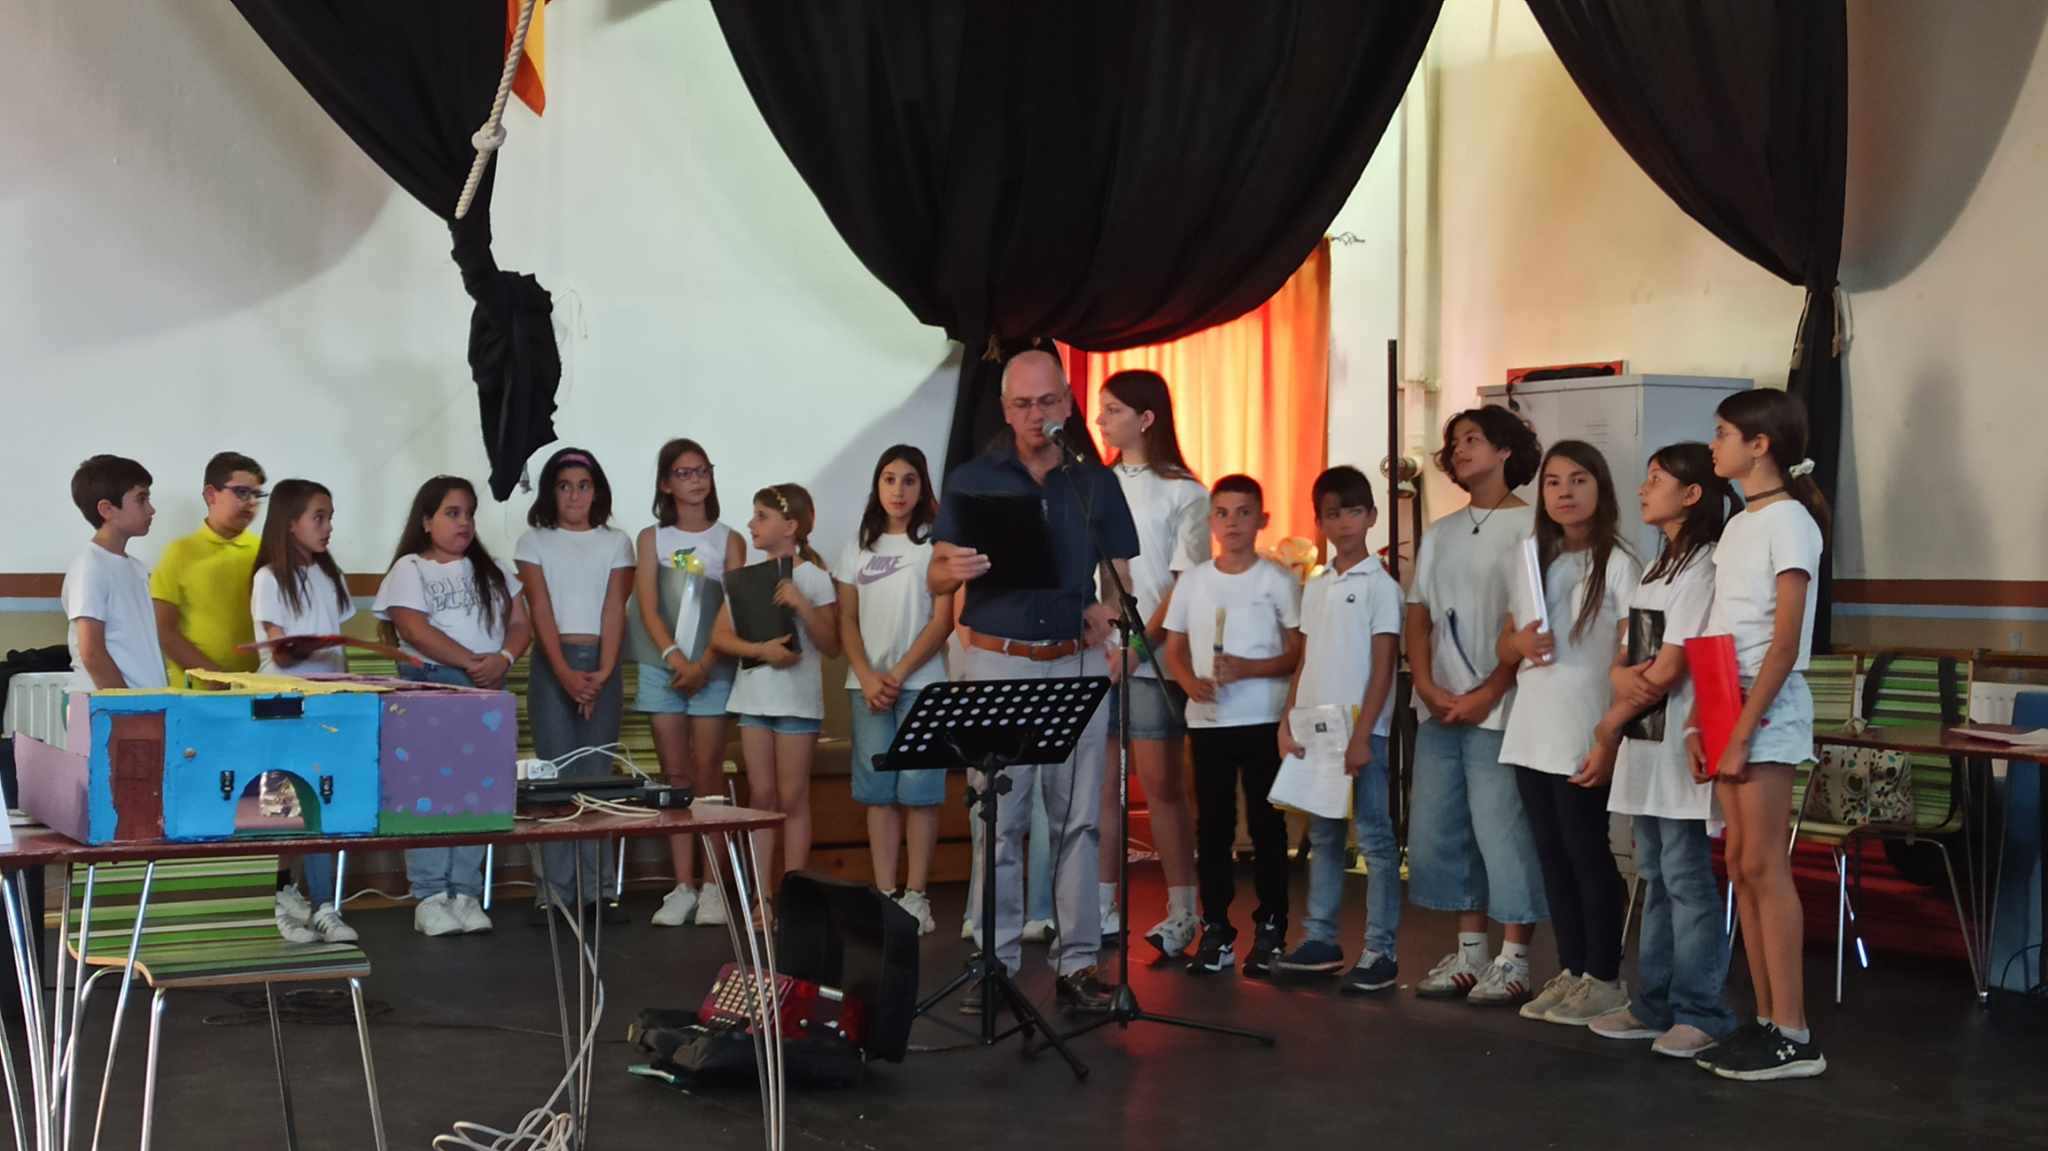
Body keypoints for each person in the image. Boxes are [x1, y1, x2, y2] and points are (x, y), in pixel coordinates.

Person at [929, 348, 1135, 1014]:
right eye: (1021, 403)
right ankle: (995, 963)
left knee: (1078, 820)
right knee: (998, 819)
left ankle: (1078, 964)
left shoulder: (1093, 482)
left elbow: (1121, 577)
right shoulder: (973, 478)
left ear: (1067, 405)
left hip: (1076, 659)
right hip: (998, 659)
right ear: (1004, 408)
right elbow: (936, 574)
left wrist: (1114, 618)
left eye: (1046, 401)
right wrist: (951, 569)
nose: (1034, 414)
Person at [1583, 443, 1740, 1059]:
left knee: (1685, 875)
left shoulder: (1704, 568)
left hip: (1678, 738)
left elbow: (1669, 669)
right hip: (1645, 739)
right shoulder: (1657, 566)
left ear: (1692, 494)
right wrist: (1621, 683)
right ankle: (1653, 1003)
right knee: (1653, 870)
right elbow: (1626, 655)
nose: (1643, 490)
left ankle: (1702, 1009)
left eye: (1656, 479)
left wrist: (1610, 721)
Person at [1690, 390, 1829, 1082]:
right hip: (1727, 697)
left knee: (1767, 864)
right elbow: (1721, 627)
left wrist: (1743, 729)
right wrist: (1702, 718)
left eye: (1723, 433)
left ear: (1760, 444)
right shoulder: (1740, 524)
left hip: (1766, 704)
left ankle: (1795, 1031)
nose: (1713, 445)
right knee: (1741, 864)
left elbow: (1784, 640)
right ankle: (1768, 1019)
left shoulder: (1791, 521)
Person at [1406, 406, 1550, 1005]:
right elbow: (1418, 613)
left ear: (1505, 451)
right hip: (1439, 705)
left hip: (1502, 707)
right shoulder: (1441, 531)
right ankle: (1470, 953)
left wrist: (1489, 690)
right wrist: (1425, 684)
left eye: (1474, 439)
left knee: (1503, 831)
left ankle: (1515, 958)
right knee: (1445, 829)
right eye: (1455, 441)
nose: (1460, 450)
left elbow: (1529, 623)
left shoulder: (1531, 527)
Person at [1496, 442, 1640, 1026]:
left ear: (1600, 487)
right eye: (1553, 482)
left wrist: (1610, 734)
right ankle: (1574, 968)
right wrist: (1518, 643)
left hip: (1584, 724)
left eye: (1578, 480)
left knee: (1586, 850)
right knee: (1551, 855)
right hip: (1532, 724)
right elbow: (1507, 643)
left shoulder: (1621, 563)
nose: (1565, 492)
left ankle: (1605, 977)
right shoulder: (1535, 559)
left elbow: (1634, 653)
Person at [374, 476, 532, 937]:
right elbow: (413, 628)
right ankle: (429, 895)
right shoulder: (411, 568)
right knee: (428, 790)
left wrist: (503, 659)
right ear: (426, 521)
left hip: (487, 686)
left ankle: (465, 891)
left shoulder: (493, 569)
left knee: (477, 789)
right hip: (432, 683)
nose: (464, 523)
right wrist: (470, 663)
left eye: (469, 514)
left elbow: (520, 623)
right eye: (452, 513)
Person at [1163, 474, 1303, 977]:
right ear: (1211, 521)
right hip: (1209, 721)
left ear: (1262, 519)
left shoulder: (1277, 580)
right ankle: (1217, 927)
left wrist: (1250, 668)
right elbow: (1174, 648)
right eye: (1222, 513)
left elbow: (1298, 652)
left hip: (1262, 717)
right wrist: (1189, 682)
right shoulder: (1194, 580)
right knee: (1214, 826)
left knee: (1267, 825)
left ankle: (1272, 927)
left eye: (1244, 513)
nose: (1233, 523)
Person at [1273, 466, 1404, 992]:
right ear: (1320, 521)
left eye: (1353, 511)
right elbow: (1304, 660)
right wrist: (1287, 721)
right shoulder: (1318, 584)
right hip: (1317, 728)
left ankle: (1381, 949)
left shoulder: (1381, 586)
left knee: (1374, 839)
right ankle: (1321, 939)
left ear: (1371, 516)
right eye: (1332, 514)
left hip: (1360, 730)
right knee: (1323, 835)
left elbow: (1383, 666)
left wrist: (1364, 734)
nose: (1344, 523)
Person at [1092, 369, 1209, 955]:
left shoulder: (1185, 492)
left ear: (1146, 418)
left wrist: (1138, 647)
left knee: (1161, 784)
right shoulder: (1094, 484)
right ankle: (1102, 905)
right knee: (1101, 786)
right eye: (1100, 408)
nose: (1101, 420)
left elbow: (1184, 583)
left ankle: (1184, 909)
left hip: (1154, 653)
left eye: (1113, 409)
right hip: (1098, 652)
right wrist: (1103, 640)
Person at [515, 448, 637, 925]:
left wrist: (603, 673)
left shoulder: (616, 542)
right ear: (551, 492)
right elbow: (540, 608)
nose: (574, 496)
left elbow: (614, 608)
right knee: (556, 778)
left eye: (583, 486)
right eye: (564, 486)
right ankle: (555, 892)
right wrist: (565, 674)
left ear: (596, 492)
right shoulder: (534, 541)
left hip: (601, 662)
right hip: (554, 664)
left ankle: (598, 890)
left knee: (597, 778)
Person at [837, 446, 954, 935]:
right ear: (877, 485)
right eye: (889, 479)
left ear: (922, 487)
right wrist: (868, 675)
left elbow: (943, 621)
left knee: (920, 793)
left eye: (909, 480)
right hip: (867, 688)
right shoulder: (858, 546)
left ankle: (916, 895)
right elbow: (846, 619)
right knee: (879, 793)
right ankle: (886, 894)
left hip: (921, 685)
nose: (898, 490)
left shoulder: (937, 544)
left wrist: (900, 673)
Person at [636, 439, 747, 928]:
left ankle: (714, 886)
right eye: (684, 473)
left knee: (708, 775)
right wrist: (675, 658)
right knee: (674, 776)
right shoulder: (651, 539)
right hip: (663, 667)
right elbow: (647, 606)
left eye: (702, 470)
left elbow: (734, 606)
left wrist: (703, 663)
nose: (696, 480)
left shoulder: (730, 540)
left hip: (713, 668)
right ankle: (682, 885)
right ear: (666, 484)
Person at [714, 483, 840, 902]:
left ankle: (793, 896)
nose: (752, 524)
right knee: (762, 796)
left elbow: (831, 644)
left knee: (793, 797)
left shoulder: (814, 578)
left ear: (791, 526)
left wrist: (802, 604)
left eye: (761, 516)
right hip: (754, 700)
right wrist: (761, 651)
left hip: (797, 704)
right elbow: (720, 636)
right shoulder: (747, 579)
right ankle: (761, 895)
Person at [250, 478, 360, 944]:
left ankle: (324, 904)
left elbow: (341, 649)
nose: (328, 526)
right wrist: (311, 645)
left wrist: (350, 690)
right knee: (281, 805)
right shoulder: (269, 578)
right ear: (290, 522)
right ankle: (278, 901)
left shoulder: (330, 576)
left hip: (328, 706)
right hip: (283, 704)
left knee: (323, 806)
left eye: (330, 517)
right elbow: (279, 650)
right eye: (319, 517)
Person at [150, 451, 265, 681]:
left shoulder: (264, 551)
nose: (251, 502)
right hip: (198, 691)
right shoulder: (179, 553)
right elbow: (164, 630)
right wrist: (214, 677)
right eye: (242, 492)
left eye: (257, 495)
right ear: (211, 495)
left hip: (258, 687)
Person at [63, 455, 165, 692]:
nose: (151, 509)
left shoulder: (136, 568)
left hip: (141, 702)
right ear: (107, 509)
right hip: (104, 705)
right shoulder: (89, 567)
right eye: (141, 499)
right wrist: (126, 705)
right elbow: (91, 652)